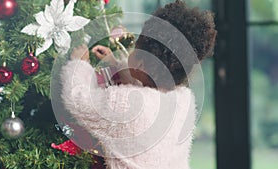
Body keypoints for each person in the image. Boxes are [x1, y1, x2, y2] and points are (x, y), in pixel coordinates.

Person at [61, 0, 217, 168]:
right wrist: (114, 64)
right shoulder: (184, 100)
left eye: (136, 47)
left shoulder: (124, 103)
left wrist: (79, 64)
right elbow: (144, 91)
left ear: (141, 64)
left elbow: (78, 99)